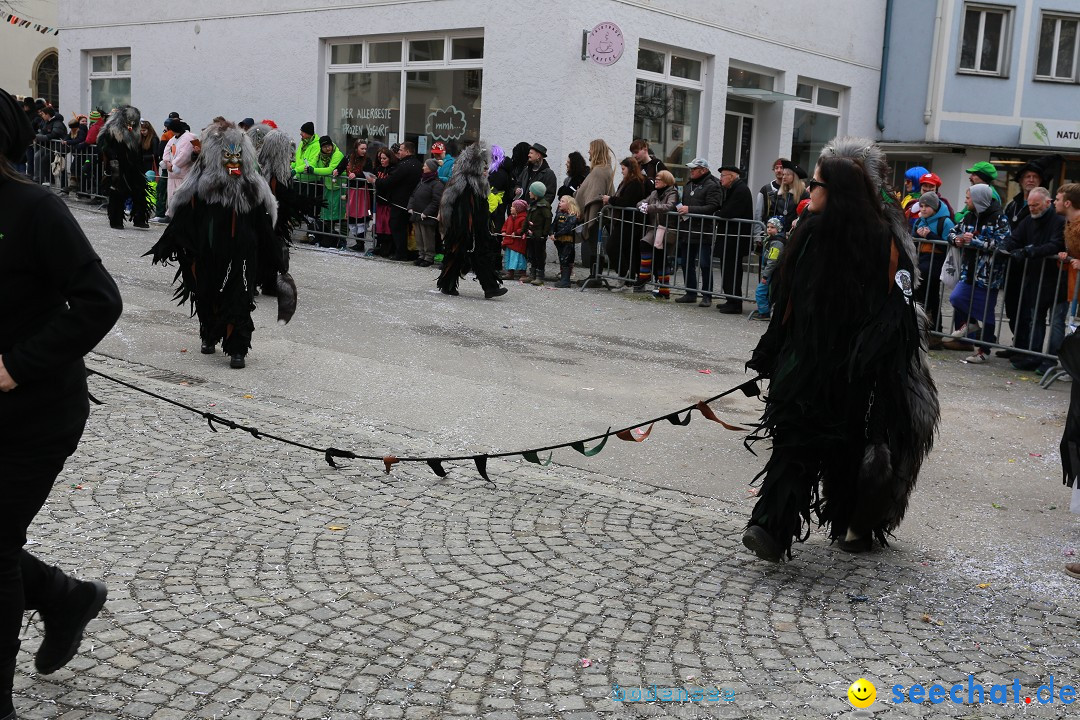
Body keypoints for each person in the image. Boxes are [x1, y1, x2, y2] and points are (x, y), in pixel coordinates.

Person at [742, 136, 939, 562]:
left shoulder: (885, 238)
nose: (807, 190)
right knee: (793, 442)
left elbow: (900, 305)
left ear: (840, 190)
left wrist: (869, 353)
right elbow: (786, 300)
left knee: (849, 450)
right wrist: (769, 351)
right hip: (807, 363)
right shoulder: (809, 232)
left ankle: (855, 523)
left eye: (815, 184)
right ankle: (771, 528)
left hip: (856, 375)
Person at [0, 87, 123, 720]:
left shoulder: (35, 209)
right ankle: (63, 596)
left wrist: (15, 367)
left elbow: (100, 301)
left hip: (35, 412)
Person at [146, 121, 289, 369]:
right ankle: (209, 334)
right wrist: (168, 243)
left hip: (242, 253)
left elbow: (263, 226)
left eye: (237, 155)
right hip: (208, 252)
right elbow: (183, 221)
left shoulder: (252, 187)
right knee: (207, 293)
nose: (232, 161)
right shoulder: (200, 187)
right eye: (226, 155)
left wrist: (276, 258)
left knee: (240, 297)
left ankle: (238, 348)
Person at [945, 184, 1011, 364]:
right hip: (969, 270)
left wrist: (974, 241)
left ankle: (983, 351)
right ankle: (971, 322)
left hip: (989, 275)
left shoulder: (1000, 219)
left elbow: (1003, 244)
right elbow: (951, 232)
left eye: (968, 198)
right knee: (957, 298)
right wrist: (956, 240)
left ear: (978, 200)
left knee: (987, 313)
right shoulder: (968, 216)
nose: (966, 201)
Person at [1003, 187, 1066, 372]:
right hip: (1035, 278)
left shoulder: (1059, 221)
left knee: (1056, 322)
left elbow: (1056, 244)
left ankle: (1051, 359)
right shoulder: (1028, 220)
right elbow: (1015, 238)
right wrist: (1005, 246)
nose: (1032, 209)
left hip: (1056, 280)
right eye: (1030, 205)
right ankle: (1034, 355)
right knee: (1035, 319)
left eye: (1036, 205)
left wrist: (1030, 251)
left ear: (1048, 202)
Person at [436, 143, 507, 299]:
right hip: (465, 230)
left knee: (477, 256)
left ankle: (490, 288)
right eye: (482, 165)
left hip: (476, 230)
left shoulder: (480, 183)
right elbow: (456, 209)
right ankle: (450, 285)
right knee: (459, 256)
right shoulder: (464, 184)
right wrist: (464, 230)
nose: (485, 168)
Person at [253, 125, 304, 301]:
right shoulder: (263, 169)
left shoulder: (278, 170)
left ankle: (268, 282)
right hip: (264, 215)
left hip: (274, 216)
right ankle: (253, 282)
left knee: (273, 249)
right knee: (261, 249)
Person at [675, 158, 723, 306]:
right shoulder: (689, 184)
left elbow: (712, 206)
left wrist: (690, 210)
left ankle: (707, 295)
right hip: (687, 230)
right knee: (686, 262)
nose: (691, 171)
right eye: (691, 169)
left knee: (705, 264)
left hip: (704, 231)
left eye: (694, 169)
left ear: (703, 170)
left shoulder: (713, 185)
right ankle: (690, 293)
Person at [97, 106, 150, 230]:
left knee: (140, 190)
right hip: (117, 165)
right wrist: (112, 156)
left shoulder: (135, 130)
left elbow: (138, 148)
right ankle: (116, 220)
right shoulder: (111, 129)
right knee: (117, 191)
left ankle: (139, 218)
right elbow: (102, 146)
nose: (131, 122)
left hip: (134, 165)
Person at [911, 191, 954, 343]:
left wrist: (929, 236)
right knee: (919, 295)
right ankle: (920, 328)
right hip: (921, 259)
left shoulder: (945, 222)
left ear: (935, 207)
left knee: (932, 296)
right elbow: (912, 241)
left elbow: (949, 246)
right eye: (921, 206)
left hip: (937, 261)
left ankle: (936, 331)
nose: (923, 209)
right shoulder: (918, 221)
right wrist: (917, 236)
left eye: (927, 206)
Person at [714, 165, 755, 314]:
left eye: (723, 176)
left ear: (731, 176)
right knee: (727, 269)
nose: (720, 179)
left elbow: (729, 211)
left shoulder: (740, 190)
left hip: (734, 239)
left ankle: (735, 303)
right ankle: (730, 299)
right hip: (730, 238)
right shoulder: (734, 189)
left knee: (732, 270)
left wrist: (719, 213)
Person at [602, 157, 648, 285]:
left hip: (629, 221)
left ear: (630, 169)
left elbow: (626, 202)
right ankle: (628, 278)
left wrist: (610, 199)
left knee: (612, 247)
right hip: (623, 220)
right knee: (626, 250)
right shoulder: (627, 182)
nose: (621, 171)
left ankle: (624, 273)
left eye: (623, 169)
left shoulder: (635, 183)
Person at [375, 140, 422, 260]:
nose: (398, 152)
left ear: (407, 151)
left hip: (400, 202)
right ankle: (409, 252)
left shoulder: (404, 165)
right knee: (407, 228)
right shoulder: (417, 164)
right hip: (411, 201)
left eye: (401, 150)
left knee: (397, 226)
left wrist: (375, 181)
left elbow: (391, 181)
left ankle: (401, 253)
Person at [636, 169, 680, 298]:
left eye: (659, 179)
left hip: (666, 229)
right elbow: (642, 201)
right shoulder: (654, 192)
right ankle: (645, 274)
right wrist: (642, 206)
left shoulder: (673, 192)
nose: (656, 181)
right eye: (656, 179)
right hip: (654, 228)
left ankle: (664, 291)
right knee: (644, 243)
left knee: (661, 259)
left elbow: (668, 207)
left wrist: (649, 207)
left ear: (666, 182)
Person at [575, 139, 616, 275]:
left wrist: (582, 196)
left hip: (597, 213)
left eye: (591, 149)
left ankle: (595, 276)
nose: (588, 151)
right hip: (599, 212)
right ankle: (595, 275)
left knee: (594, 245)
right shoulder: (604, 169)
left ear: (596, 150)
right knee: (595, 246)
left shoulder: (599, 171)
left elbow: (595, 194)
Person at [337, 139, 373, 250]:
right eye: (362, 148)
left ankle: (361, 243)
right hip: (351, 191)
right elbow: (341, 166)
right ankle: (358, 241)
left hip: (362, 191)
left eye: (365, 149)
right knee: (351, 216)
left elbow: (369, 174)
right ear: (356, 148)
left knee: (362, 216)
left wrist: (356, 175)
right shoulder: (348, 157)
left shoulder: (367, 160)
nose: (364, 150)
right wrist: (336, 171)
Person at [408, 158, 444, 266]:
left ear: (431, 168)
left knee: (427, 237)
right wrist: (410, 206)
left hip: (427, 216)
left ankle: (429, 257)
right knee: (419, 237)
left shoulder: (437, 184)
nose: (423, 167)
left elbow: (436, 201)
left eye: (425, 166)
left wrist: (426, 212)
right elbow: (413, 195)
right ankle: (421, 254)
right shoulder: (422, 181)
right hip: (417, 214)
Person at [312, 135, 345, 246]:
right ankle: (328, 238)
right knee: (326, 214)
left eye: (329, 145)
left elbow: (330, 170)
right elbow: (312, 163)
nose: (328, 148)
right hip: (328, 187)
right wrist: (305, 168)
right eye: (325, 146)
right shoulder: (320, 156)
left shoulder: (337, 154)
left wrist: (314, 170)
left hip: (338, 189)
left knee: (338, 215)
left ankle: (341, 239)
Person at [162, 117, 196, 219]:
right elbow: (166, 150)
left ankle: (180, 215)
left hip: (182, 174)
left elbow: (185, 154)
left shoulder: (189, 137)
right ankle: (171, 214)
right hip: (172, 174)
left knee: (182, 197)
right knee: (171, 195)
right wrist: (167, 162)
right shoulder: (173, 139)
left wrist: (173, 165)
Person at [292, 121, 322, 235]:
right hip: (300, 180)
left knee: (311, 210)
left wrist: (296, 170)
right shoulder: (302, 144)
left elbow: (310, 163)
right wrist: (291, 166)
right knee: (298, 206)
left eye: (303, 132)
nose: (300, 134)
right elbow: (298, 160)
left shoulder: (316, 145)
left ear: (308, 133)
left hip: (311, 182)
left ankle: (311, 233)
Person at [753, 217, 785, 319]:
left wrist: (765, 276)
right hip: (768, 271)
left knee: (760, 292)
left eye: (772, 227)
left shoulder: (777, 243)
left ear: (778, 229)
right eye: (768, 227)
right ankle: (765, 310)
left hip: (770, 272)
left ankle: (764, 312)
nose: (769, 229)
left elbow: (772, 261)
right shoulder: (770, 239)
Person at [524, 181, 553, 285]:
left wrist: (544, 234)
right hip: (532, 234)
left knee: (539, 255)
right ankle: (532, 274)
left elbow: (548, 218)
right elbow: (527, 219)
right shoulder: (533, 204)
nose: (529, 192)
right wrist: (524, 230)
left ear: (536, 193)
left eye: (531, 191)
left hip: (539, 235)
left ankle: (540, 276)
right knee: (532, 254)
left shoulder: (543, 205)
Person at [371, 147, 397, 257]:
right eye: (380, 158)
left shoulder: (393, 169)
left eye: (384, 158)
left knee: (387, 227)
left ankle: (388, 248)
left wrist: (376, 181)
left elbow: (387, 183)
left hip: (388, 202)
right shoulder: (379, 169)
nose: (382, 160)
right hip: (379, 201)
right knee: (379, 225)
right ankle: (380, 245)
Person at [551, 195, 581, 288]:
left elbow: (568, 228)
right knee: (561, 258)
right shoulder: (559, 214)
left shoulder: (573, 216)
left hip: (567, 241)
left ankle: (566, 280)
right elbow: (553, 224)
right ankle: (564, 278)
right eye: (560, 201)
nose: (560, 203)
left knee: (566, 259)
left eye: (563, 201)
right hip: (559, 241)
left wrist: (556, 234)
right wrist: (551, 233)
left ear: (569, 204)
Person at [487, 144, 514, 240]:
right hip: (498, 206)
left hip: (495, 207)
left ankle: (494, 253)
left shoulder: (498, 173)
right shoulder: (501, 171)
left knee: (494, 231)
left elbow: (493, 190)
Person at [501, 198, 529, 282]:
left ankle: (522, 273)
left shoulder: (523, 218)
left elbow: (523, 228)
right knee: (509, 257)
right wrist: (504, 231)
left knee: (519, 258)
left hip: (518, 242)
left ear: (518, 209)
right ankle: (510, 273)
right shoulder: (510, 217)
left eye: (513, 207)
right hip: (509, 241)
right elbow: (505, 225)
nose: (510, 208)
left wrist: (516, 232)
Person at [755, 158, 787, 223]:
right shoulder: (765, 190)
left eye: (782, 168)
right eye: (776, 168)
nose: (779, 170)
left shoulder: (794, 190)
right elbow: (758, 214)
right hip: (768, 230)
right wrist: (757, 232)